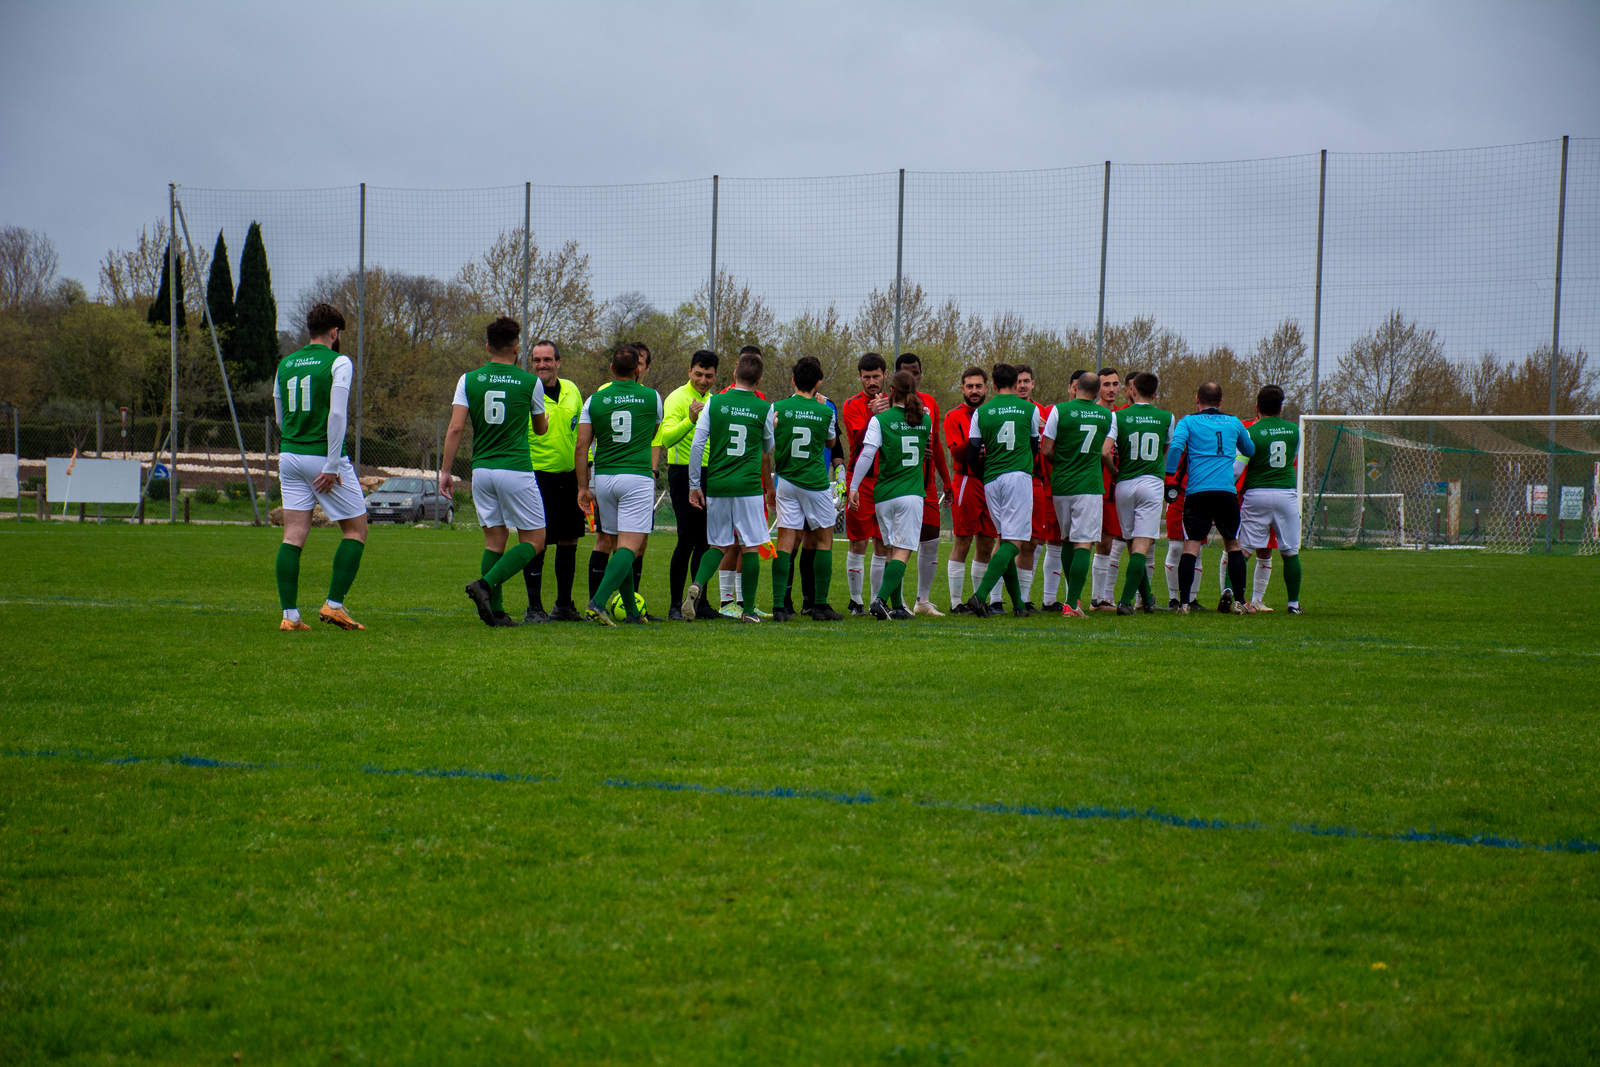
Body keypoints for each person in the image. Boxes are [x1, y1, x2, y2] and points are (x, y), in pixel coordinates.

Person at [445, 317, 548, 626]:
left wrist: (445, 471)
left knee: (494, 541)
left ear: (488, 347)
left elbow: (455, 428)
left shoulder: (468, 380)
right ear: (517, 348)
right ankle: (485, 585)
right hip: (514, 469)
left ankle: (497, 612)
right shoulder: (531, 382)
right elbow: (540, 429)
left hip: (481, 470)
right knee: (535, 540)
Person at [273, 302, 368, 631]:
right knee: (356, 530)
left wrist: (296, 440)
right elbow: (337, 414)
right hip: (323, 457)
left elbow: (280, 416)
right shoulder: (339, 361)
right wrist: (331, 464)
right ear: (334, 332)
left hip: (289, 455)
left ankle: (290, 616)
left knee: (293, 535)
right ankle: (334, 605)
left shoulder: (285, 363)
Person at [682, 350, 774, 623]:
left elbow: (697, 445)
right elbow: (768, 447)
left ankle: (698, 583)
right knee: (751, 546)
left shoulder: (714, 402)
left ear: (734, 375)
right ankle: (748, 611)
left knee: (718, 545)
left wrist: (694, 484)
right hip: (748, 487)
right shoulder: (764, 407)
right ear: (759, 381)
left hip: (718, 485)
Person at [576, 345, 663, 625]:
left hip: (604, 478)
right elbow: (652, 432)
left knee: (618, 547)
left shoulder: (594, 400)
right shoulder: (652, 397)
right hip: (636, 477)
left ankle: (632, 613)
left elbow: (581, 447)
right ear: (638, 369)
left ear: (612, 369)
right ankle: (597, 603)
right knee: (630, 549)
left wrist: (583, 488)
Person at [1165, 380, 1255, 614]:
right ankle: (1240, 602)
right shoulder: (1234, 422)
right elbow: (1250, 450)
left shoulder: (1188, 421)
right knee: (1233, 544)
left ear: (1197, 400)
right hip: (1226, 491)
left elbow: (1175, 447)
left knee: (1191, 546)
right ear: (1221, 402)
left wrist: (1169, 477)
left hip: (1197, 492)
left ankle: (1184, 603)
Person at [850, 370, 931, 620]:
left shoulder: (880, 420)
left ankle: (897, 607)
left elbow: (867, 454)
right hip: (910, 494)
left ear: (891, 391)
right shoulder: (925, 420)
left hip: (883, 494)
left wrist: (854, 486)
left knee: (892, 551)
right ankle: (880, 600)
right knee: (903, 551)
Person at [769, 356, 845, 621]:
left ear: (793, 381)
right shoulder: (826, 410)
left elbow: (769, 442)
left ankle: (779, 607)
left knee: (785, 542)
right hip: (814, 482)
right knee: (824, 541)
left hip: (786, 481)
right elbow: (830, 443)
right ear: (818, 383)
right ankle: (819, 605)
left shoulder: (777, 407)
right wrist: (823, 412)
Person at [963, 363, 1038, 617]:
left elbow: (972, 455)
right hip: (1018, 477)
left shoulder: (981, 412)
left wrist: (985, 477)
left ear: (993, 385)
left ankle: (1018, 605)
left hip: (991, 480)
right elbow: (1034, 447)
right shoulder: (1030, 409)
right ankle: (980, 596)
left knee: (1005, 540)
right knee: (1013, 544)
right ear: (1016, 383)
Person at [521, 340, 585, 623]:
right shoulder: (525, 392)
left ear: (558, 362)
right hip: (537, 476)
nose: (542, 365)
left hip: (570, 476)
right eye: (537, 360)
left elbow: (581, 433)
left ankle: (564, 604)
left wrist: (585, 471)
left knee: (569, 539)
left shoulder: (572, 390)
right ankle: (534, 607)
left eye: (547, 359)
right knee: (538, 541)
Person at [1042, 371, 1116, 616]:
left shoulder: (1058, 410)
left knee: (1066, 539)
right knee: (1083, 542)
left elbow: (1046, 450)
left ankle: (1071, 598)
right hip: (1089, 486)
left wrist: (1063, 463)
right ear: (1097, 392)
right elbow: (1106, 450)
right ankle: (1072, 604)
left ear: (1075, 388)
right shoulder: (1107, 415)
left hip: (1061, 485)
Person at [659, 349, 720, 620]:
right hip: (683, 473)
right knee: (686, 539)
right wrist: (690, 420)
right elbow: (666, 439)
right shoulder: (676, 398)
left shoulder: (716, 402)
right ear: (689, 371)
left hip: (711, 474)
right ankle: (674, 605)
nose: (703, 380)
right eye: (698, 374)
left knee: (706, 541)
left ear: (715, 376)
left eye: (708, 376)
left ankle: (700, 603)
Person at [893, 353, 954, 616]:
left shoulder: (929, 402)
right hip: (898, 483)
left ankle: (923, 601)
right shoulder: (887, 405)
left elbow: (936, 443)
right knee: (897, 544)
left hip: (926, 484)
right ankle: (897, 601)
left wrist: (947, 480)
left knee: (930, 540)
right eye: (907, 373)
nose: (913, 378)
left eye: (916, 373)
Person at [1110, 372, 1174, 615]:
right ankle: (1125, 602)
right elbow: (1165, 448)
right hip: (1151, 483)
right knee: (1140, 547)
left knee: (1132, 544)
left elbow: (1105, 452)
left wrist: (1114, 472)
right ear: (1155, 394)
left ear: (1133, 390)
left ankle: (1147, 599)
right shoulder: (1167, 417)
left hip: (1124, 484)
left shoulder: (1118, 415)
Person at [715, 345, 772, 616]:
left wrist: (768, 487)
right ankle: (727, 601)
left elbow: (763, 453)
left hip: (750, 483)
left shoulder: (760, 400)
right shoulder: (723, 398)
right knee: (733, 543)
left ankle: (742, 601)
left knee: (746, 543)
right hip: (734, 481)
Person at [1238, 385, 1304, 614]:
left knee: (1244, 549)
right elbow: (1292, 459)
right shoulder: (1294, 430)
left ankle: (1234, 597)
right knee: (1290, 551)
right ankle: (1293, 604)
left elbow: (1237, 468)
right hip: (1286, 493)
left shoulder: (1250, 431)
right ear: (1281, 407)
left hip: (1257, 493)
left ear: (1257, 407)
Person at [841, 353, 892, 615]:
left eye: (876, 376)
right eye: (867, 377)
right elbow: (861, 440)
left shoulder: (896, 403)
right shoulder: (852, 405)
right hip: (860, 481)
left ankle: (876, 602)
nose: (872, 382)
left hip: (887, 481)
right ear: (859, 377)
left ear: (885, 375)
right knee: (858, 542)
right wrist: (875, 415)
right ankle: (856, 601)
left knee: (883, 544)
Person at [943, 367, 996, 613]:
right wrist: (977, 436)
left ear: (987, 388)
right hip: (967, 480)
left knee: (986, 544)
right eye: (970, 386)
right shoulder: (953, 416)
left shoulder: (994, 413)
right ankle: (955, 602)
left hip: (992, 483)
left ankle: (978, 600)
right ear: (962, 388)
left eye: (978, 386)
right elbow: (955, 452)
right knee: (963, 540)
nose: (974, 390)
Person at [1014, 364, 1059, 611]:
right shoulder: (1004, 409)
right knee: (1005, 541)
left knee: (1032, 541)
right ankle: (995, 599)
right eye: (1018, 381)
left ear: (1033, 384)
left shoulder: (1043, 411)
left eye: (1026, 381)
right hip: (1010, 481)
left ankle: (1024, 599)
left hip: (1036, 482)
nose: (1022, 385)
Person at [1089, 367, 1126, 610]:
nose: (1111, 389)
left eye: (1115, 384)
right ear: (1097, 389)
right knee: (1078, 542)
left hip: (1113, 488)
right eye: (1106, 384)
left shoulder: (1122, 416)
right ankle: (1067, 598)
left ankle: (1099, 598)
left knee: (1106, 542)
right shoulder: (1092, 414)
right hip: (1091, 484)